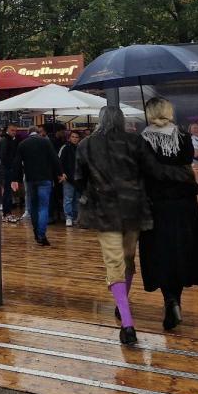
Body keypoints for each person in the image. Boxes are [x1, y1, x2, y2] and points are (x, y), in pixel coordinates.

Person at [72, 106, 158, 346]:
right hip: (134, 209)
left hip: (105, 210)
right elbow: (150, 172)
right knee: (129, 259)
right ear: (121, 121)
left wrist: (90, 194)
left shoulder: (86, 145)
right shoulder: (136, 142)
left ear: (100, 121)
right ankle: (123, 306)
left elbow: (78, 178)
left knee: (114, 262)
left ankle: (127, 322)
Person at [139, 98, 198, 331]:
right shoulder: (182, 136)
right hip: (184, 202)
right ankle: (176, 300)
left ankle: (169, 298)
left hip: (156, 203)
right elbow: (186, 162)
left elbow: (140, 170)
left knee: (160, 252)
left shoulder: (143, 139)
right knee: (181, 249)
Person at [15, 126, 63, 245]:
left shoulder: (22, 144)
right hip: (45, 178)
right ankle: (41, 234)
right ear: (38, 132)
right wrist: (60, 173)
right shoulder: (45, 142)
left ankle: (36, 232)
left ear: (28, 133)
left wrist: (16, 179)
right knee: (43, 207)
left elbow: (17, 163)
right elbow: (54, 159)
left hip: (30, 179)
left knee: (33, 207)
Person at [58, 130, 81, 226]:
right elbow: (60, 162)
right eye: (73, 137)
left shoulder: (81, 149)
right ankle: (69, 217)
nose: (75, 139)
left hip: (79, 178)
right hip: (68, 178)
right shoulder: (66, 148)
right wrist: (62, 173)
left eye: (76, 137)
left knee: (76, 199)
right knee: (68, 199)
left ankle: (75, 217)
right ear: (69, 138)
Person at [0, 125, 19, 220]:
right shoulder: (5, 140)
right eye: (12, 130)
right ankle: (7, 213)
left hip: (7, 168)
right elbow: (3, 156)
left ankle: (8, 213)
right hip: (6, 169)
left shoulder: (8, 140)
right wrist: (10, 166)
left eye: (15, 130)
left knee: (8, 191)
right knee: (7, 191)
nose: (14, 132)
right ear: (7, 130)